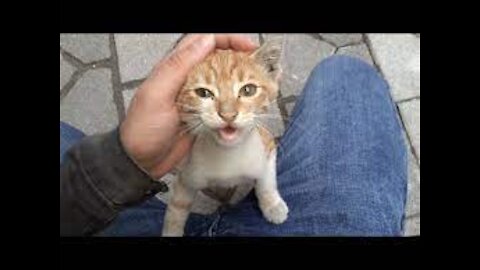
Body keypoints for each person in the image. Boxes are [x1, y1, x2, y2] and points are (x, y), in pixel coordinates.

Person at [60, 34, 407, 236]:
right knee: (346, 73)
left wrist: (123, 161)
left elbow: (266, 154)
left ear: (272, 75)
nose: (228, 112)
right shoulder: (189, 150)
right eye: (206, 93)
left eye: (247, 90)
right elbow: (183, 190)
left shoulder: (252, 138)